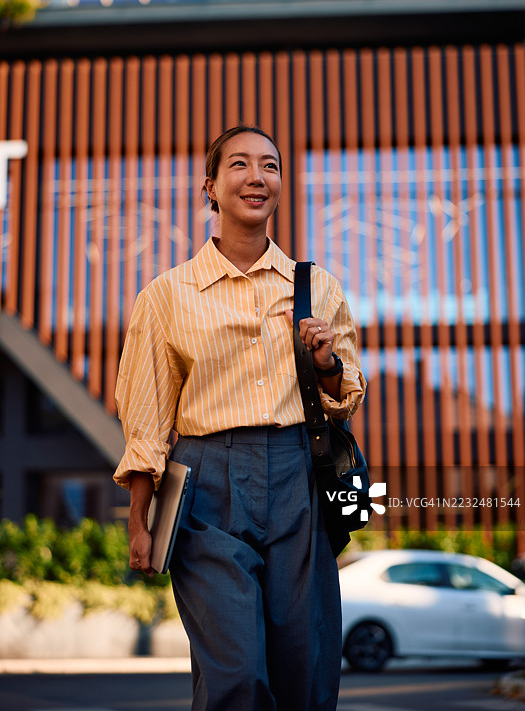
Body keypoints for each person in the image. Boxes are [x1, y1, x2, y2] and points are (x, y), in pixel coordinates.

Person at [113, 125, 366, 711]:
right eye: (240, 165)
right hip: (204, 484)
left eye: (270, 166)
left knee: (305, 674)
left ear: (280, 185)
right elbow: (146, 418)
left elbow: (345, 395)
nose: (257, 177)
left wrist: (325, 361)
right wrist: (139, 519)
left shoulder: (316, 286)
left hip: (296, 478)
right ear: (211, 186)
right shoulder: (167, 296)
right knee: (236, 675)